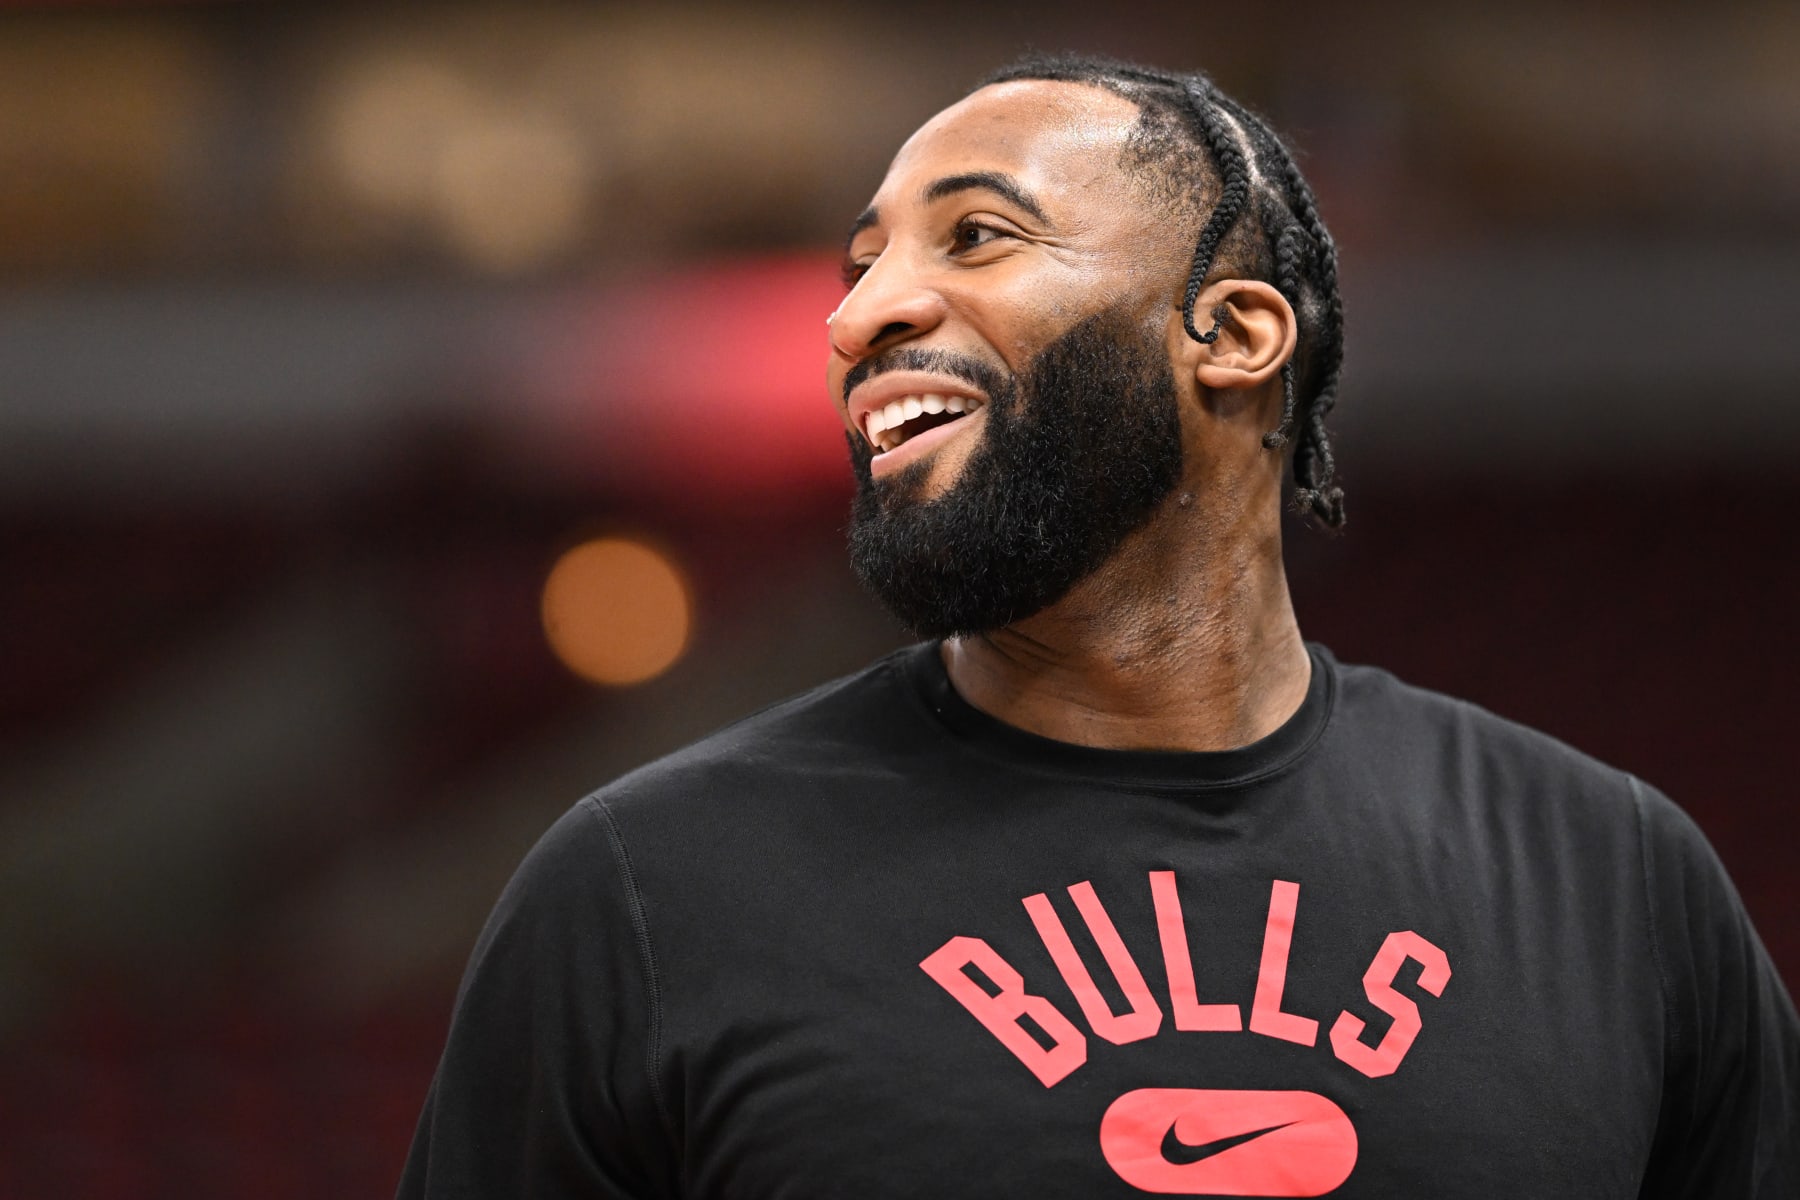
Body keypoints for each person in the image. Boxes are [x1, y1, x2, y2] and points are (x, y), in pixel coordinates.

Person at [397, 53, 1798, 1198]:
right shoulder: (645, 891)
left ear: (1233, 334)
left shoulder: (1614, 880)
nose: (859, 316)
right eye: (860, 263)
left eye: (977, 235)